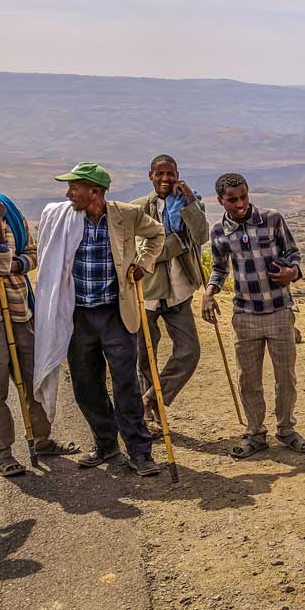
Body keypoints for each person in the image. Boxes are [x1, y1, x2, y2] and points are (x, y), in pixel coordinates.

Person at [0, 156, 78, 476]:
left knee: (33, 380)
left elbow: (32, 254)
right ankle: (1, 452)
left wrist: (15, 264)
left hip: (20, 310)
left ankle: (41, 439)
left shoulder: (8, 211)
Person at [53, 162, 165, 476]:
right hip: (79, 315)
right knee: (86, 383)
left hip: (117, 312)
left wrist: (144, 263)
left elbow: (156, 234)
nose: (68, 193)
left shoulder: (125, 214)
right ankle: (105, 443)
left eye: (74, 187)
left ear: (96, 191)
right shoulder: (65, 219)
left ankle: (140, 452)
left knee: (125, 384)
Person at [202, 173, 305, 456]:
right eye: (232, 200)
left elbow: (293, 253)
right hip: (245, 314)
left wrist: (292, 273)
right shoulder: (218, 232)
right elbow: (220, 268)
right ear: (220, 200)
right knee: (249, 378)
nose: (239, 204)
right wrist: (209, 292)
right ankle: (255, 433)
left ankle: (286, 430)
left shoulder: (272, 219)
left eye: (243, 197)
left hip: (279, 309)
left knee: (285, 376)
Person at [133, 155, 209, 436]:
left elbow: (201, 236)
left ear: (178, 175)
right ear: (150, 175)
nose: (165, 179)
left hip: (179, 292)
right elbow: (147, 253)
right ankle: (146, 417)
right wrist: (176, 242)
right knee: (144, 357)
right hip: (147, 294)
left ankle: (152, 398)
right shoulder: (139, 208)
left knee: (189, 351)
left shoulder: (190, 202)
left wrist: (190, 204)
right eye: (160, 174)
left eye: (171, 174)